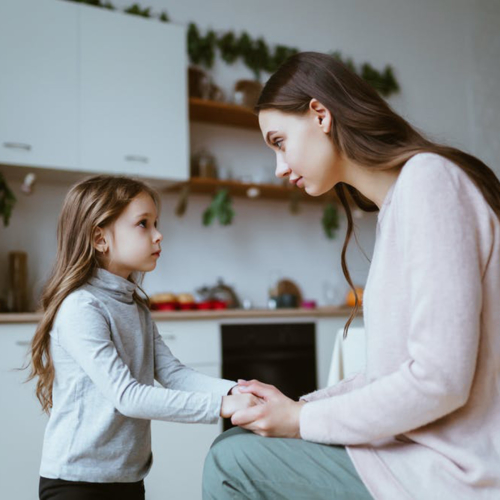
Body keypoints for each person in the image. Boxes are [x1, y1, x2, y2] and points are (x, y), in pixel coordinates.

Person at [202, 52, 500, 499]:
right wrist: (298, 407)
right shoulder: (398, 206)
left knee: (230, 460)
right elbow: (389, 374)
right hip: (414, 456)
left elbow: (439, 381)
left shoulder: (429, 180)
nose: (279, 167)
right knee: (236, 443)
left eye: (279, 141)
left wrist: (299, 420)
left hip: (450, 473)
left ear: (320, 114)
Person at [27, 175, 259, 500]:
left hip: (128, 478)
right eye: (143, 224)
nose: (158, 235)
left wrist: (237, 390)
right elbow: (128, 396)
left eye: (155, 223)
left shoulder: (134, 305)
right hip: (77, 483)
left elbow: (173, 374)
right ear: (100, 238)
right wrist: (223, 405)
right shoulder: (82, 307)